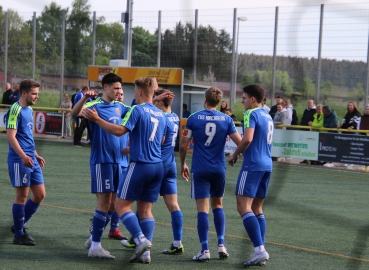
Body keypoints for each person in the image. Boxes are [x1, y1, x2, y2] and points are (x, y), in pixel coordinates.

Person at [83, 77, 167, 264]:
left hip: (140, 165)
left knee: (120, 206)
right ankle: (146, 254)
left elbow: (120, 131)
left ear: (138, 92)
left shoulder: (136, 109)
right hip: (158, 165)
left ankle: (140, 239)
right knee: (146, 210)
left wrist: (97, 119)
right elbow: (162, 140)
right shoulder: (160, 114)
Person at [179, 87, 242, 261]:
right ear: (219, 101)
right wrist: (234, 155)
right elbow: (240, 142)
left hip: (200, 168)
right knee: (218, 205)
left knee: (202, 209)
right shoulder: (226, 119)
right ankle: (221, 245)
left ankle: (205, 249)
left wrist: (183, 163)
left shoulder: (193, 118)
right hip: (218, 168)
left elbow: (183, 145)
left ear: (204, 100)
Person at [73, 73, 130, 259]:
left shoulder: (121, 107)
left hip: (120, 162)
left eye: (121, 89)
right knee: (104, 202)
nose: (119, 92)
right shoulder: (94, 105)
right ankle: (96, 246)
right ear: (105, 87)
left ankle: (93, 238)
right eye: (116, 88)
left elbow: (140, 112)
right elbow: (74, 113)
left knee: (114, 205)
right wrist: (85, 98)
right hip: (102, 161)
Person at [227, 84, 274, 267]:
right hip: (267, 165)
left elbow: (247, 138)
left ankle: (259, 250)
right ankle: (260, 250)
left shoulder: (251, 114)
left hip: (253, 165)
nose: (242, 100)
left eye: (244, 97)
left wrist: (234, 154)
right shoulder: (267, 116)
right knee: (257, 209)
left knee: (243, 207)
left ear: (253, 99)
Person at [6, 79, 46, 246]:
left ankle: (19, 225)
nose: (36, 96)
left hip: (30, 158)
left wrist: (35, 154)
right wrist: (23, 156)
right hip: (19, 159)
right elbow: (11, 136)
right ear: (24, 93)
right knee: (22, 196)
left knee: (40, 194)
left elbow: (27, 136)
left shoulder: (29, 109)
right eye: (34, 93)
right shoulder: (15, 109)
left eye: (37, 93)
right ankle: (19, 235)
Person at [153, 89, 184, 255]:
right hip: (170, 164)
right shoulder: (175, 117)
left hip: (158, 163)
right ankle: (177, 242)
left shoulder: (161, 118)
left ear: (159, 102)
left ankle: (137, 238)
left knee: (144, 203)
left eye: (155, 100)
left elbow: (160, 140)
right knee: (173, 205)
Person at [300, 99, 316, 164]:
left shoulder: (315, 110)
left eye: (310, 103)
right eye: (308, 103)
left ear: (313, 103)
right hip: (304, 130)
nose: (309, 104)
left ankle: (311, 159)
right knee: (305, 145)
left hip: (311, 131)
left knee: (310, 145)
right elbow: (303, 118)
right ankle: (305, 158)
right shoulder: (306, 110)